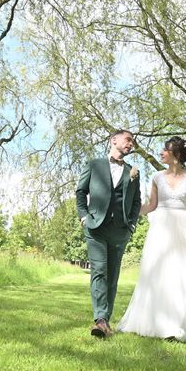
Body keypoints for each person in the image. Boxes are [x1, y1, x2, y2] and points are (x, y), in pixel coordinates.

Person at [117, 136, 186, 342]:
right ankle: (159, 321)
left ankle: (183, 322)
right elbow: (151, 205)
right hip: (161, 229)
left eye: (165, 150)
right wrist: (131, 210)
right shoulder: (156, 177)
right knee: (159, 272)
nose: (161, 153)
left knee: (184, 273)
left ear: (176, 154)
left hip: (185, 227)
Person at [76, 129, 142, 338]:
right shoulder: (94, 165)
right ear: (114, 140)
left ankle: (106, 320)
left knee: (112, 276)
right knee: (99, 271)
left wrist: (131, 224)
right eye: (128, 140)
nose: (130, 144)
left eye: (132, 142)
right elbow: (81, 191)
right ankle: (101, 320)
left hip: (120, 230)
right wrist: (84, 216)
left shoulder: (133, 172)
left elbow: (137, 201)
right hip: (95, 227)